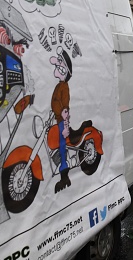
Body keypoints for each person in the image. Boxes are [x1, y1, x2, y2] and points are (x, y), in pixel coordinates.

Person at [50, 47, 73, 193]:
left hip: (61, 120)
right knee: (60, 144)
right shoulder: (60, 85)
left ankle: (64, 175)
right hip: (57, 118)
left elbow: (64, 104)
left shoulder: (64, 86)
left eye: (59, 66)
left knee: (62, 145)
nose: (57, 68)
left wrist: (64, 119)